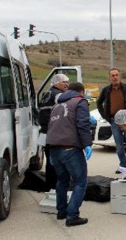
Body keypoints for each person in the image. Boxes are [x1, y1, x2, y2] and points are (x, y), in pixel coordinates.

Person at [46, 82, 93, 227]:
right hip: (69, 148)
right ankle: (72, 216)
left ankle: (61, 211)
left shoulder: (57, 105)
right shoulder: (80, 101)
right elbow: (82, 124)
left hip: (53, 148)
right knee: (80, 181)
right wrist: (87, 144)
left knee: (62, 179)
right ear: (81, 91)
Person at [97, 68, 126, 173]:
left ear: (119, 76)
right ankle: (123, 165)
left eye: (116, 75)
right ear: (109, 77)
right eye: (112, 75)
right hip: (114, 120)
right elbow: (99, 102)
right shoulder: (106, 90)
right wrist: (105, 116)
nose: (115, 77)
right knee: (119, 146)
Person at [38, 73, 70, 190]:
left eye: (67, 82)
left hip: (44, 132)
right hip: (53, 132)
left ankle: (49, 185)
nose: (66, 84)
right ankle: (55, 186)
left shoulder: (46, 94)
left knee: (49, 160)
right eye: (64, 82)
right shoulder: (58, 95)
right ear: (56, 83)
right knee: (55, 162)